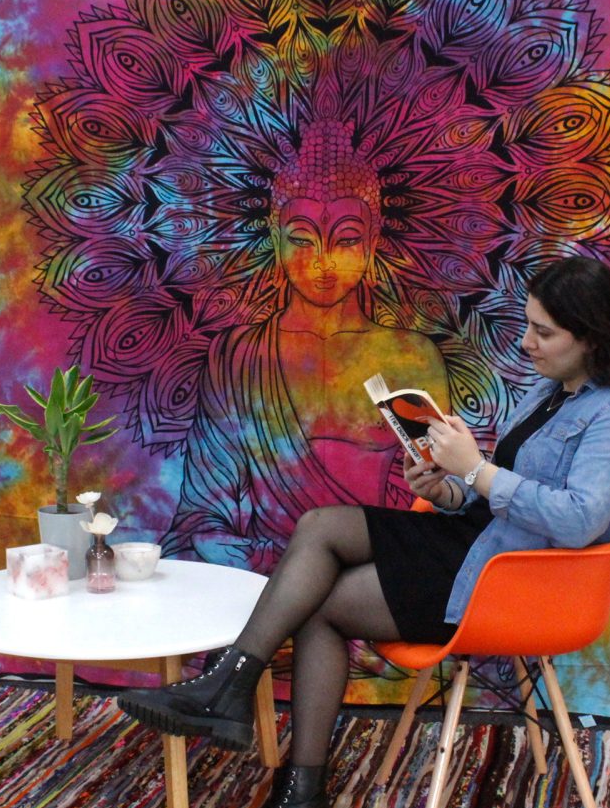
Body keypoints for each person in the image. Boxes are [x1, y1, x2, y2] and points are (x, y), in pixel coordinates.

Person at [119, 254, 610, 808]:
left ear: (593, 337)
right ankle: (235, 691)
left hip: (510, 581)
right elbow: (497, 494)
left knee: (321, 608)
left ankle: (291, 786)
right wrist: (445, 486)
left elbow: (579, 521)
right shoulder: (551, 391)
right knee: (320, 526)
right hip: (477, 539)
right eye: (528, 325)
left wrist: (476, 469)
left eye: (543, 332)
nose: (526, 342)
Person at [161, 117, 448, 572]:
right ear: (276, 239)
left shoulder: (410, 357)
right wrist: (270, 559)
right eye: (301, 239)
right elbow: (204, 513)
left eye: (346, 240)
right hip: (266, 566)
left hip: (367, 564)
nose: (323, 263)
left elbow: (435, 496)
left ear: (372, 241)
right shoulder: (238, 356)